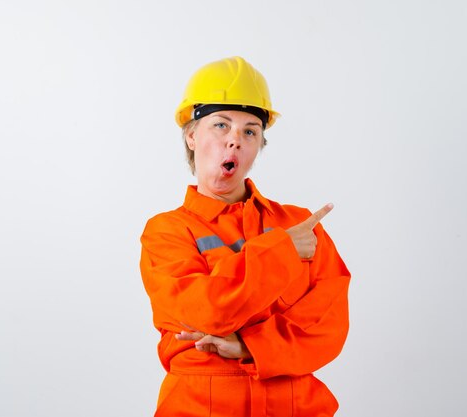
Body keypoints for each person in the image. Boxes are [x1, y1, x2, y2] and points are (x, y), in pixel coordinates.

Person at [140, 56, 351, 417]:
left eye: (250, 131)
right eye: (221, 125)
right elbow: (206, 310)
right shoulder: (167, 232)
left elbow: (328, 327)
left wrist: (249, 346)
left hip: (296, 405)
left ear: (259, 147)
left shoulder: (300, 223)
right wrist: (283, 249)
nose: (235, 140)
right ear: (191, 135)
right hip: (200, 406)